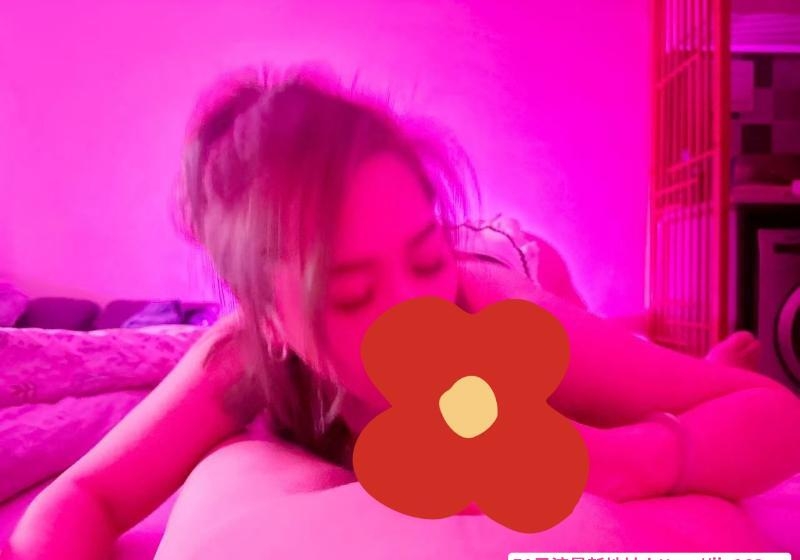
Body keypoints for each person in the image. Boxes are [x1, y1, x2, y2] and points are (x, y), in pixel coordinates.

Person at [6, 65, 800, 559]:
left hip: (511, 266)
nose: (418, 312)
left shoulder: (487, 308)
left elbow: (773, 416)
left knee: (590, 348)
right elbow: (79, 500)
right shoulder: (240, 358)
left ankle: (678, 352)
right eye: (353, 294)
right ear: (271, 321)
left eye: (422, 261)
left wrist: (635, 456)